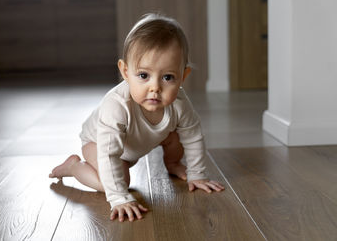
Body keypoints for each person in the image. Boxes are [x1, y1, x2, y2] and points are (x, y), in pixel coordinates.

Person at [49, 13, 225, 222]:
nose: (155, 88)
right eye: (143, 75)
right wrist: (119, 197)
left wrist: (197, 173)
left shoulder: (179, 103)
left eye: (168, 77)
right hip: (100, 145)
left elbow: (193, 135)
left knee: (177, 135)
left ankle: (173, 164)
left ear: (183, 77)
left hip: (136, 142)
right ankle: (74, 167)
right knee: (117, 180)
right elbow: (108, 154)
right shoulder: (116, 106)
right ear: (125, 71)